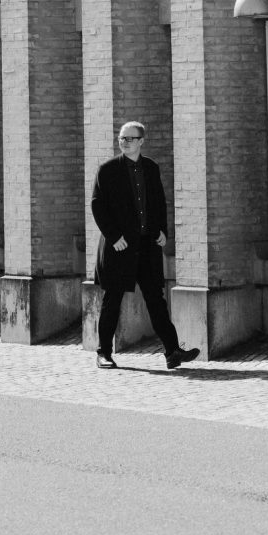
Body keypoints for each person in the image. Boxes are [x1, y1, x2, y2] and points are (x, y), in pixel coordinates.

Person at [91, 121, 200, 371]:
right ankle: (103, 353)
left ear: (141, 141)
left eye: (130, 138)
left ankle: (172, 351)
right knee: (112, 299)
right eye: (122, 138)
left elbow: (159, 202)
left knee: (155, 299)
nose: (124, 142)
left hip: (147, 245)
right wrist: (114, 236)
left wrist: (162, 231)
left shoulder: (151, 168)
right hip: (119, 246)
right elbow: (97, 206)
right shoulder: (107, 170)